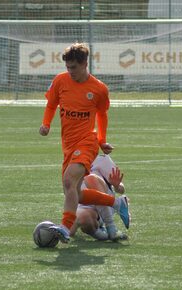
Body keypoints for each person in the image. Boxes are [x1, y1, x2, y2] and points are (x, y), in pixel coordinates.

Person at [39, 42, 130, 244]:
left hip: (87, 142)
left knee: (69, 180)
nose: (70, 71)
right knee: (76, 194)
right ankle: (117, 202)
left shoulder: (98, 89)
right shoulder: (60, 81)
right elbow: (51, 104)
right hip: (68, 145)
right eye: (67, 67)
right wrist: (46, 124)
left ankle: (64, 227)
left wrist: (102, 140)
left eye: (74, 67)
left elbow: (102, 115)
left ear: (85, 64)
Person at [70, 154, 128, 241]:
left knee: (90, 178)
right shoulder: (71, 161)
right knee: (82, 220)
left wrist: (117, 186)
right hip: (84, 205)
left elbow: (121, 189)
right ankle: (104, 235)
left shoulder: (101, 159)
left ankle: (111, 226)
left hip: (106, 202)